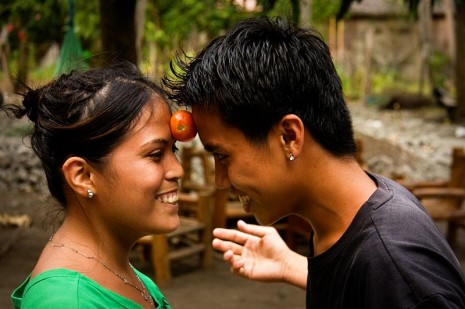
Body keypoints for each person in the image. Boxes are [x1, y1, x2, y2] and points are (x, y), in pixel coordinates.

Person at [163, 16, 465, 308]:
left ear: (289, 137)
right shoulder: (358, 214)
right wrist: (295, 267)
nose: (220, 180)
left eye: (223, 156)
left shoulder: (395, 265)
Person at [2, 63, 182, 308]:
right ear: (83, 176)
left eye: (174, 150)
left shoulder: (123, 273)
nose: (178, 170)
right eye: (156, 154)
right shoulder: (66, 302)